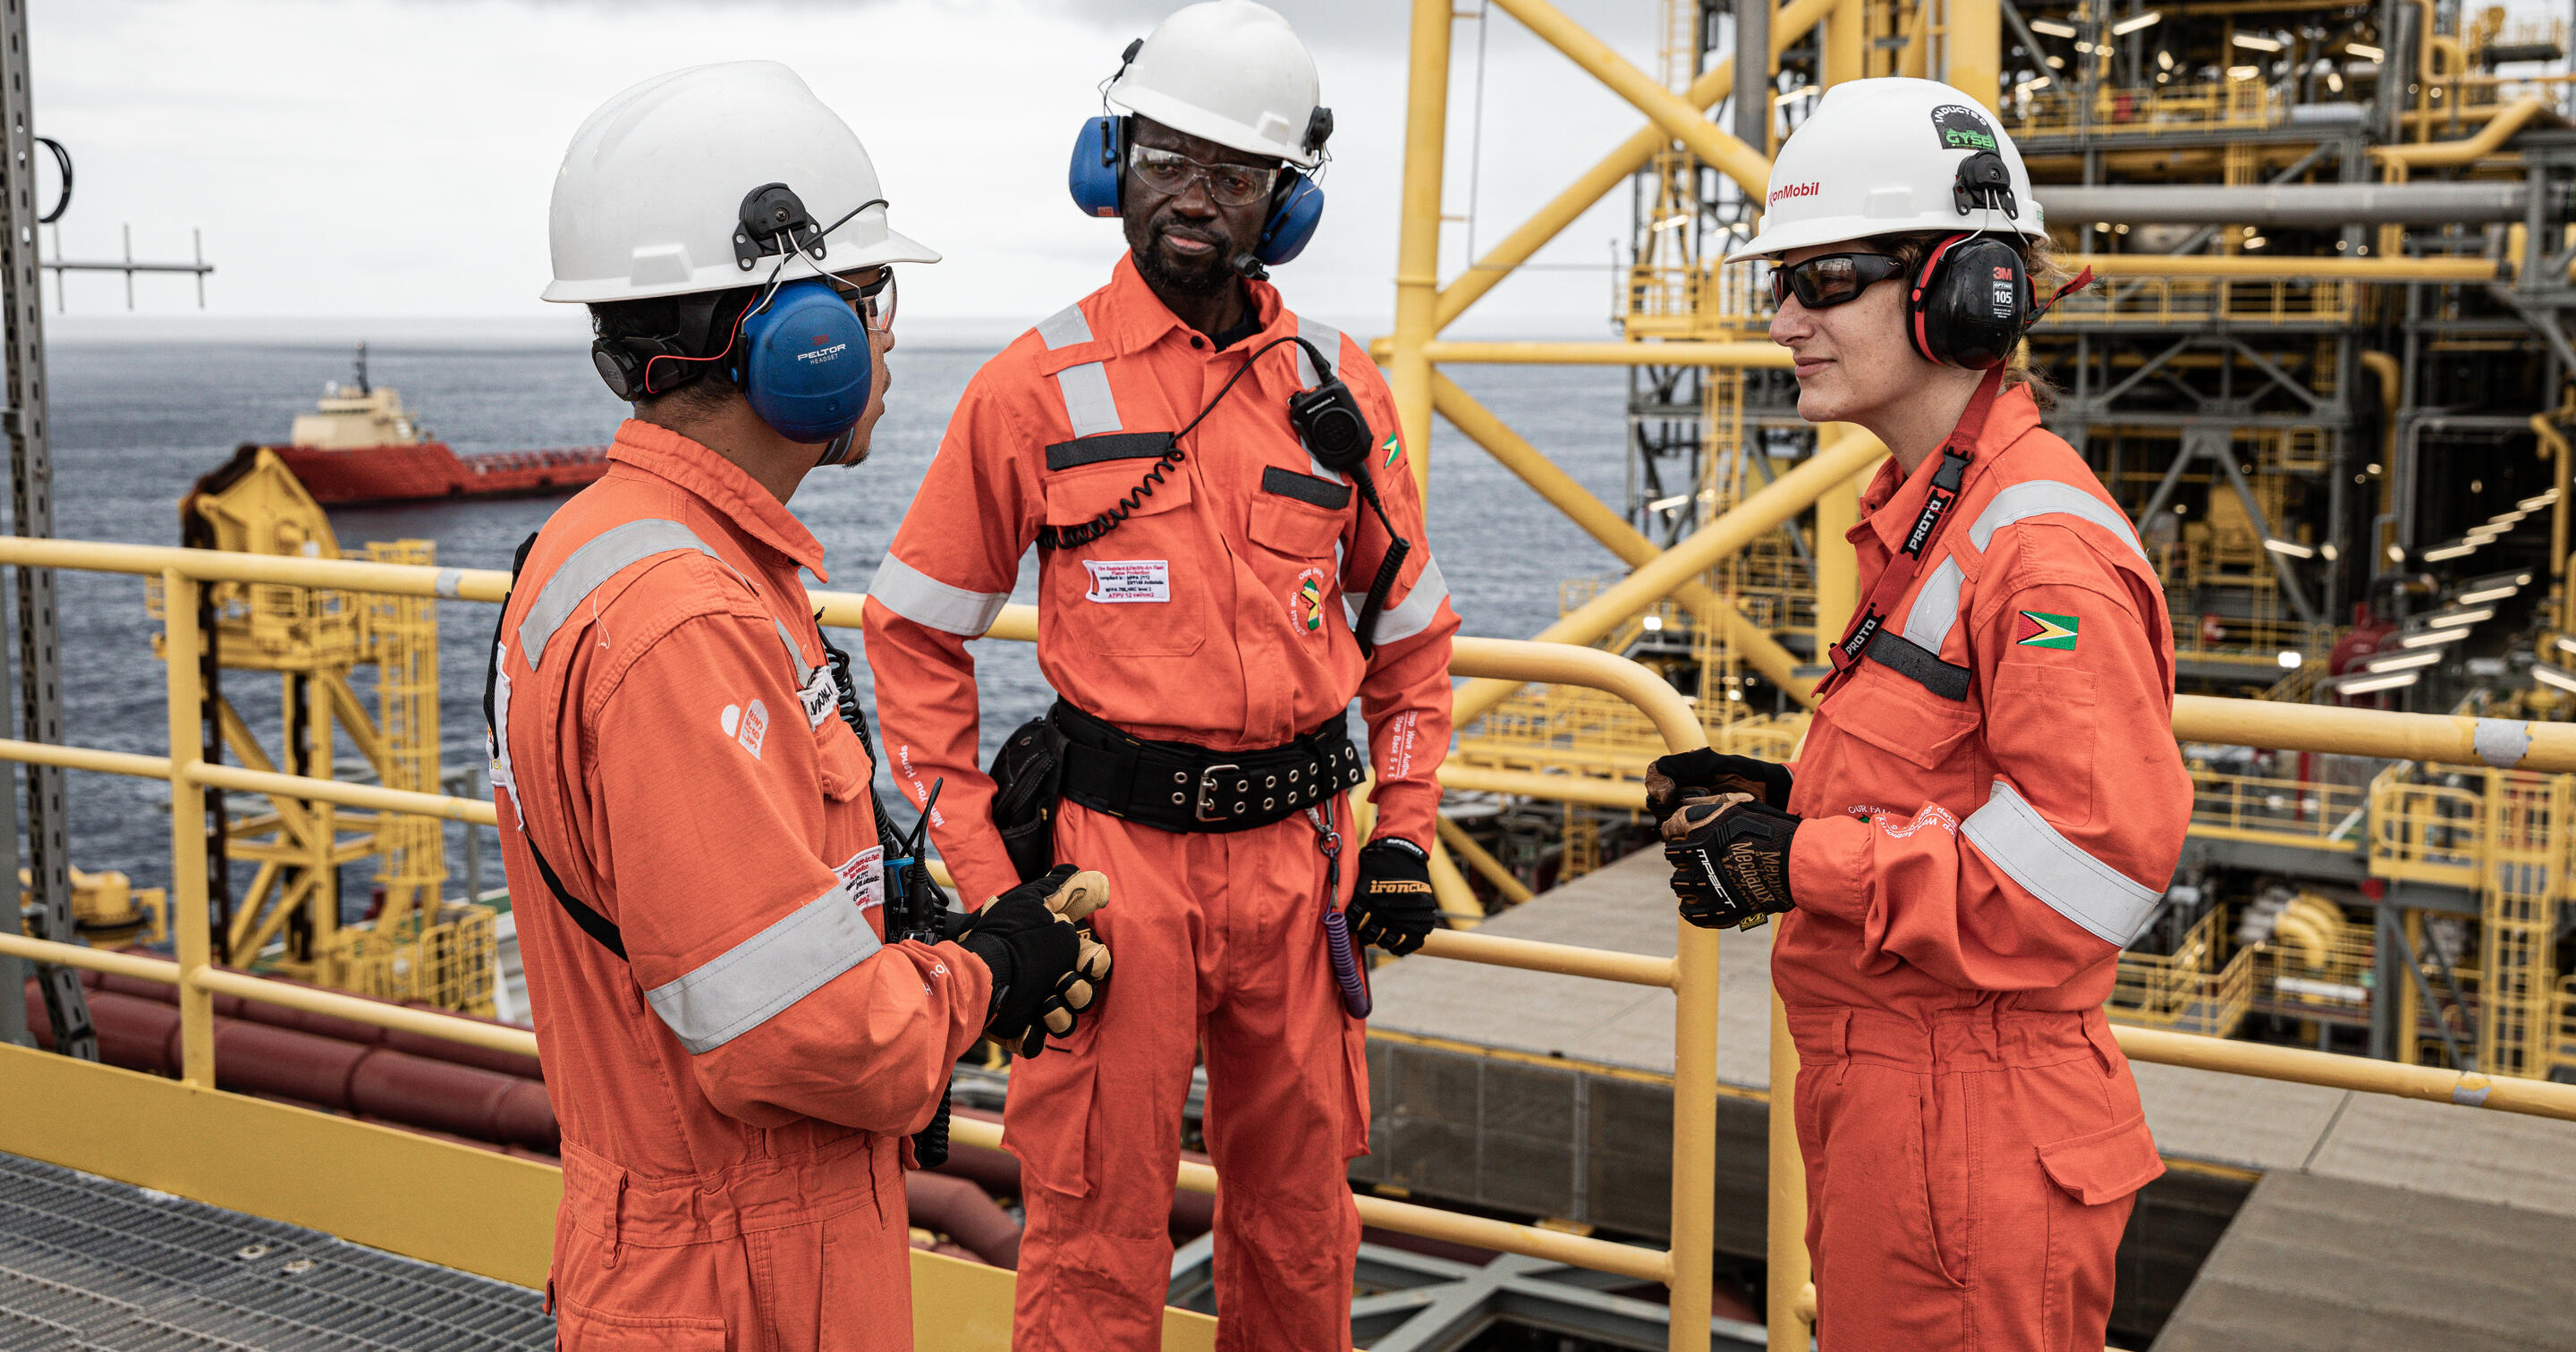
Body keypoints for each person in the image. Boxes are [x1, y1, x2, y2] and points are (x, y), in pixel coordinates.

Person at [861, 4, 1460, 1348]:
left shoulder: (1339, 388)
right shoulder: (1032, 388)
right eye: (1166, 159)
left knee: (1302, 1224)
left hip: (1303, 868)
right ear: (1111, 163)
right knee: (1091, 1225)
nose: (1193, 195)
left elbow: (1413, 640)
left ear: (1283, 201)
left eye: (1232, 172)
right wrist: (996, 888)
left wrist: (1405, 836)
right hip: (1107, 876)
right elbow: (912, 636)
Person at [488, 62, 1109, 1352]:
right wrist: (990, 975)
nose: (886, 338)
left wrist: (932, 939)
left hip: (700, 1248)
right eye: (870, 297)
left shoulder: (611, 544)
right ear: (799, 335)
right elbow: (788, 1035)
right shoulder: (686, 620)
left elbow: (737, 930)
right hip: (743, 1276)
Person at [1648, 77, 2187, 1352]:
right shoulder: (1935, 511)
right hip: (1910, 1122)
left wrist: (1804, 864)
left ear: (1965, 290)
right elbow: (1955, 783)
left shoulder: (2039, 555)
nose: (1784, 320)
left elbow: (2092, 876)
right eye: (1781, 284)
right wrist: (1791, 807)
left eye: (1824, 281)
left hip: (1974, 1136)